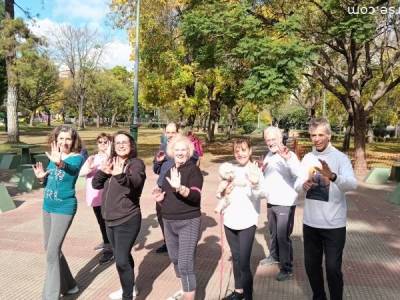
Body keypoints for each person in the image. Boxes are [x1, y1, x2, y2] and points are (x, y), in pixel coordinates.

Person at [294, 118, 357, 300]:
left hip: (334, 225)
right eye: (313, 135)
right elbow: (297, 184)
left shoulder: (341, 158)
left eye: (321, 134)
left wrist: (334, 176)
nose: (317, 139)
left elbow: (352, 184)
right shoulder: (308, 158)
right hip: (311, 223)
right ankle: (318, 296)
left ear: (329, 135)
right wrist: (303, 185)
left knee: (332, 269)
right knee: (311, 266)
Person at [92, 131, 146, 300]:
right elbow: (96, 184)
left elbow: (136, 183)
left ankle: (127, 296)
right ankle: (129, 287)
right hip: (109, 219)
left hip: (127, 218)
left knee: (121, 260)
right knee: (124, 256)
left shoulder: (136, 164)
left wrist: (120, 175)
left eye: (125, 142)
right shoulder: (112, 161)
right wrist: (103, 171)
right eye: (117, 143)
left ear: (131, 145)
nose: (121, 145)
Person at [32, 125, 84, 300]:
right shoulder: (52, 156)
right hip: (48, 206)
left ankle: (50, 296)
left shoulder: (76, 158)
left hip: (64, 208)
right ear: (55, 139)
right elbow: (49, 182)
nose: (64, 142)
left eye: (68, 138)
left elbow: (71, 170)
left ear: (73, 140)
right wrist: (41, 178)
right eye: (61, 138)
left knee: (52, 252)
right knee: (50, 248)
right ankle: (70, 285)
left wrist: (60, 162)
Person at [153, 134, 203, 300]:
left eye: (184, 150)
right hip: (168, 221)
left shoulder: (194, 170)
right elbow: (167, 196)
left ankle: (189, 295)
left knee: (185, 264)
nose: (180, 153)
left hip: (188, 221)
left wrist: (180, 187)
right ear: (171, 152)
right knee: (175, 259)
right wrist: (160, 199)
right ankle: (185, 288)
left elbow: (196, 196)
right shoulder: (169, 170)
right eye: (177, 149)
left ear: (189, 152)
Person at [217, 138, 263, 300]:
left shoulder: (255, 170)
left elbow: (263, 194)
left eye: (244, 150)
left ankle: (248, 296)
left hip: (247, 222)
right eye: (237, 151)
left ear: (250, 151)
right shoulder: (230, 169)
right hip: (230, 220)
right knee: (236, 259)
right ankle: (239, 292)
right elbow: (223, 192)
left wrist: (255, 184)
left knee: (243, 262)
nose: (240, 154)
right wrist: (224, 193)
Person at [258, 126, 300, 281]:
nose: (270, 142)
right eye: (267, 139)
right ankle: (274, 256)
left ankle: (287, 268)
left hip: (285, 202)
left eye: (273, 139)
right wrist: (260, 170)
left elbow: (298, 173)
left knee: (283, 236)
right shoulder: (269, 155)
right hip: (271, 201)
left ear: (280, 138)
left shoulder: (290, 155)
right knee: (273, 233)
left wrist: (287, 159)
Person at [78, 132, 114, 264]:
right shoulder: (92, 158)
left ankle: (110, 248)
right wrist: (89, 168)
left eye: (106, 142)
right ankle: (106, 242)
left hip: (107, 195)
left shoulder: (113, 158)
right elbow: (81, 173)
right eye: (100, 142)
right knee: (100, 221)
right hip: (94, 195)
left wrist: (110, 153)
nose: (103, 145)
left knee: (107, 222)